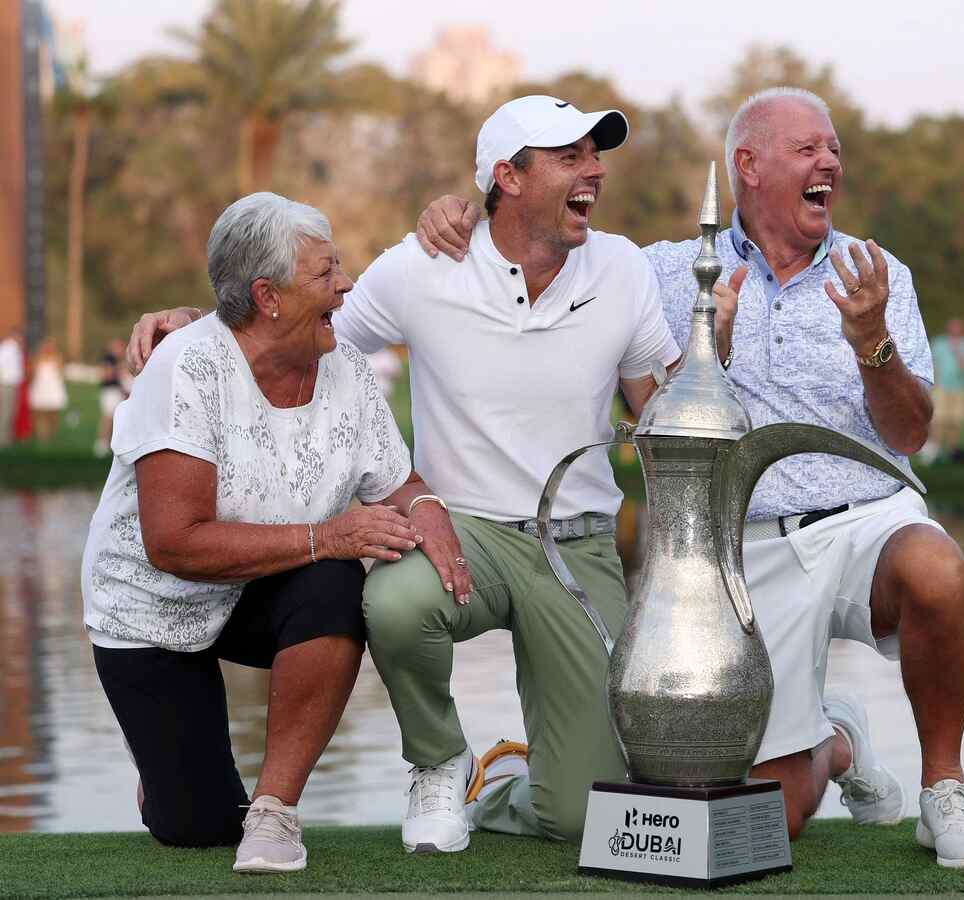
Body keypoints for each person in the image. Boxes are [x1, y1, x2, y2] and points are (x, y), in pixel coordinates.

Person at [416, 86, 964, 869]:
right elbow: (544, 245)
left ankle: (944, 790)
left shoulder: (876, 270)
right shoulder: (661, 272)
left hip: (865, 520)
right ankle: (835, 741)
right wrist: (458, 214)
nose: (829, 161)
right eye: (808, 149)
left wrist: (872, 343)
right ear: (748, 167)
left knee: (936, 567)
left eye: (833, 149)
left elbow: (911, 433)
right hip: (737, 551)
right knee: (768, 816)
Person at [124, 96, 688, 854]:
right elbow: (286, 327)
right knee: (389, 602)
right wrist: (195, 321)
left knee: (580, 819)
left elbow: (664, 411)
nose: (594, 171)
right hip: (462, 535)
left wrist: (710, 371)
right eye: (570, 156)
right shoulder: (422, 266)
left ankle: (498, 786)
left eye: (595, 154)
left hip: (580, 546)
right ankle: (436, 761)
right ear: (507, 177)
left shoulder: (623, 266)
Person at [87, 192, 465, 873]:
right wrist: (327, 535)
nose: (346, 285)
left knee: (333, 584)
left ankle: (274, 812)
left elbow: (394, 480)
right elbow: (172, 543)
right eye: (326, 274)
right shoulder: (187, 367)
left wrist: (427, 509)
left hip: (262, 588)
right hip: (153, 607)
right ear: (267, 296)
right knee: (194, 826)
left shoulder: (345, 366)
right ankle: (165, 773)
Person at [927, 319, 964, 461]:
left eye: (958, 328)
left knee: (955, 420)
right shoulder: (939, 343)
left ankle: (952, 451)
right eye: (953, 328)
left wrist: (958, 352)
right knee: (937, 419)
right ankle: (934, 450)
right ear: (948, 329)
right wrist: (934, 385)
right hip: (941, 387)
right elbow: (933, 363)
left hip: (959, 387)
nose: (955, 330)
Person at [95, 338, 133, 456]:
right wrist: (118, 371)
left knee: (118, 419)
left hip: (119, 392)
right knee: (108, 417)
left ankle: (113, 445)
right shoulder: (109, 359)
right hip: (110, 391)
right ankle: (101, 444)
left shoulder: (123, 360)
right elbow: (106, 375)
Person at [28, 337, 67, 443]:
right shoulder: (37, 358)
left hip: (53, 389)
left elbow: (62, 373)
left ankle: (52, 434)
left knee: (53, 413)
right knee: (40, 413)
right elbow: (32, 373)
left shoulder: (58, 358)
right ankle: (42, 436)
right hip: (40, 388)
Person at [0, 328, 22, 446]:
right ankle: (3, 440)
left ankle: (7, 438)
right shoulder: (8, 348)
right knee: (5, 412)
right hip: (6, 384)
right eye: (19, 336)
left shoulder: (13, 349)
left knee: (10, 412)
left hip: (11, 384)